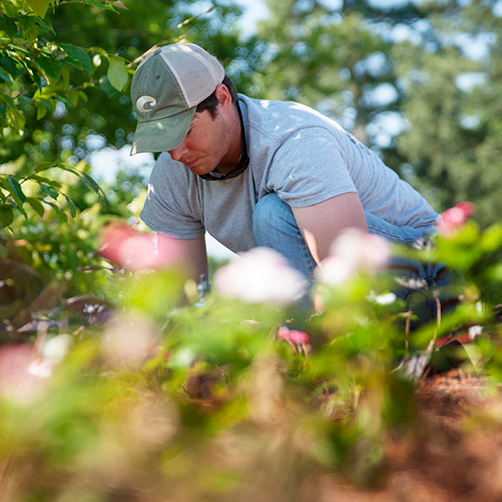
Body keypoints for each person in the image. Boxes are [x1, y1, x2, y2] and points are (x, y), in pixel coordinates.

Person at [130, 42, 452, 318]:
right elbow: (183, 297)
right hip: (361, 290)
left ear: (223, 98)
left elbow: (348, 273)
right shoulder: (172, 175)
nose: (176, 152)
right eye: (164, 140)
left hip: (432, 274)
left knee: (273, 215)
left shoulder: (294, 141)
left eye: (184, 131)